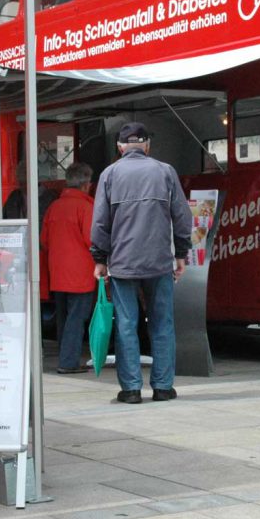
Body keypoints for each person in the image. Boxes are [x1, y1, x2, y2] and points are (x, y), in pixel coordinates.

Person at [90, 122, 192, 404]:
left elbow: (100, 222)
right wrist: (181, 253)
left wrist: (99, 258)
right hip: (159, 262)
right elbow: (182, 217)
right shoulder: (165, 171)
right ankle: (162, 387)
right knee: (162, 323)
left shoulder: (109, 174)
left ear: (120, 147)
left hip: (122, 262)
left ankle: (131, 389)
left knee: (126, 323)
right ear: (147, 146)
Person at [41, 162, 95, 374]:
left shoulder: (54, 207)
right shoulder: (85, 207)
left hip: (57, 272)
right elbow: (93, 240)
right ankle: (68, 362)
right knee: (76, 318)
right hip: (80, 273)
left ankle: (66, 358)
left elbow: (44, 240)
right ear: (85, 185)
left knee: (64, 318)